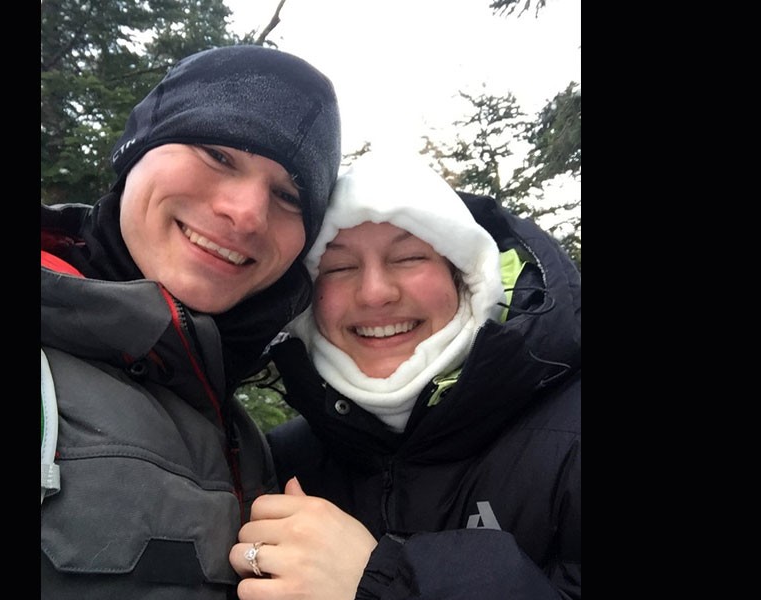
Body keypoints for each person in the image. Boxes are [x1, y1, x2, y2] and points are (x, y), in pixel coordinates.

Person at [40, 44, 342, 599]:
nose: (248, 214)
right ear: (136, 151)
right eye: (218, 154)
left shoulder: (242, 436)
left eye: (288, 195)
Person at [229, 148, 581, 599]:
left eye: (409, 258)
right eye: (338, 267)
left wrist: (382, 582)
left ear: (467, 276)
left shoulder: (571, 434)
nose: (375, 292)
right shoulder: (282, 459)